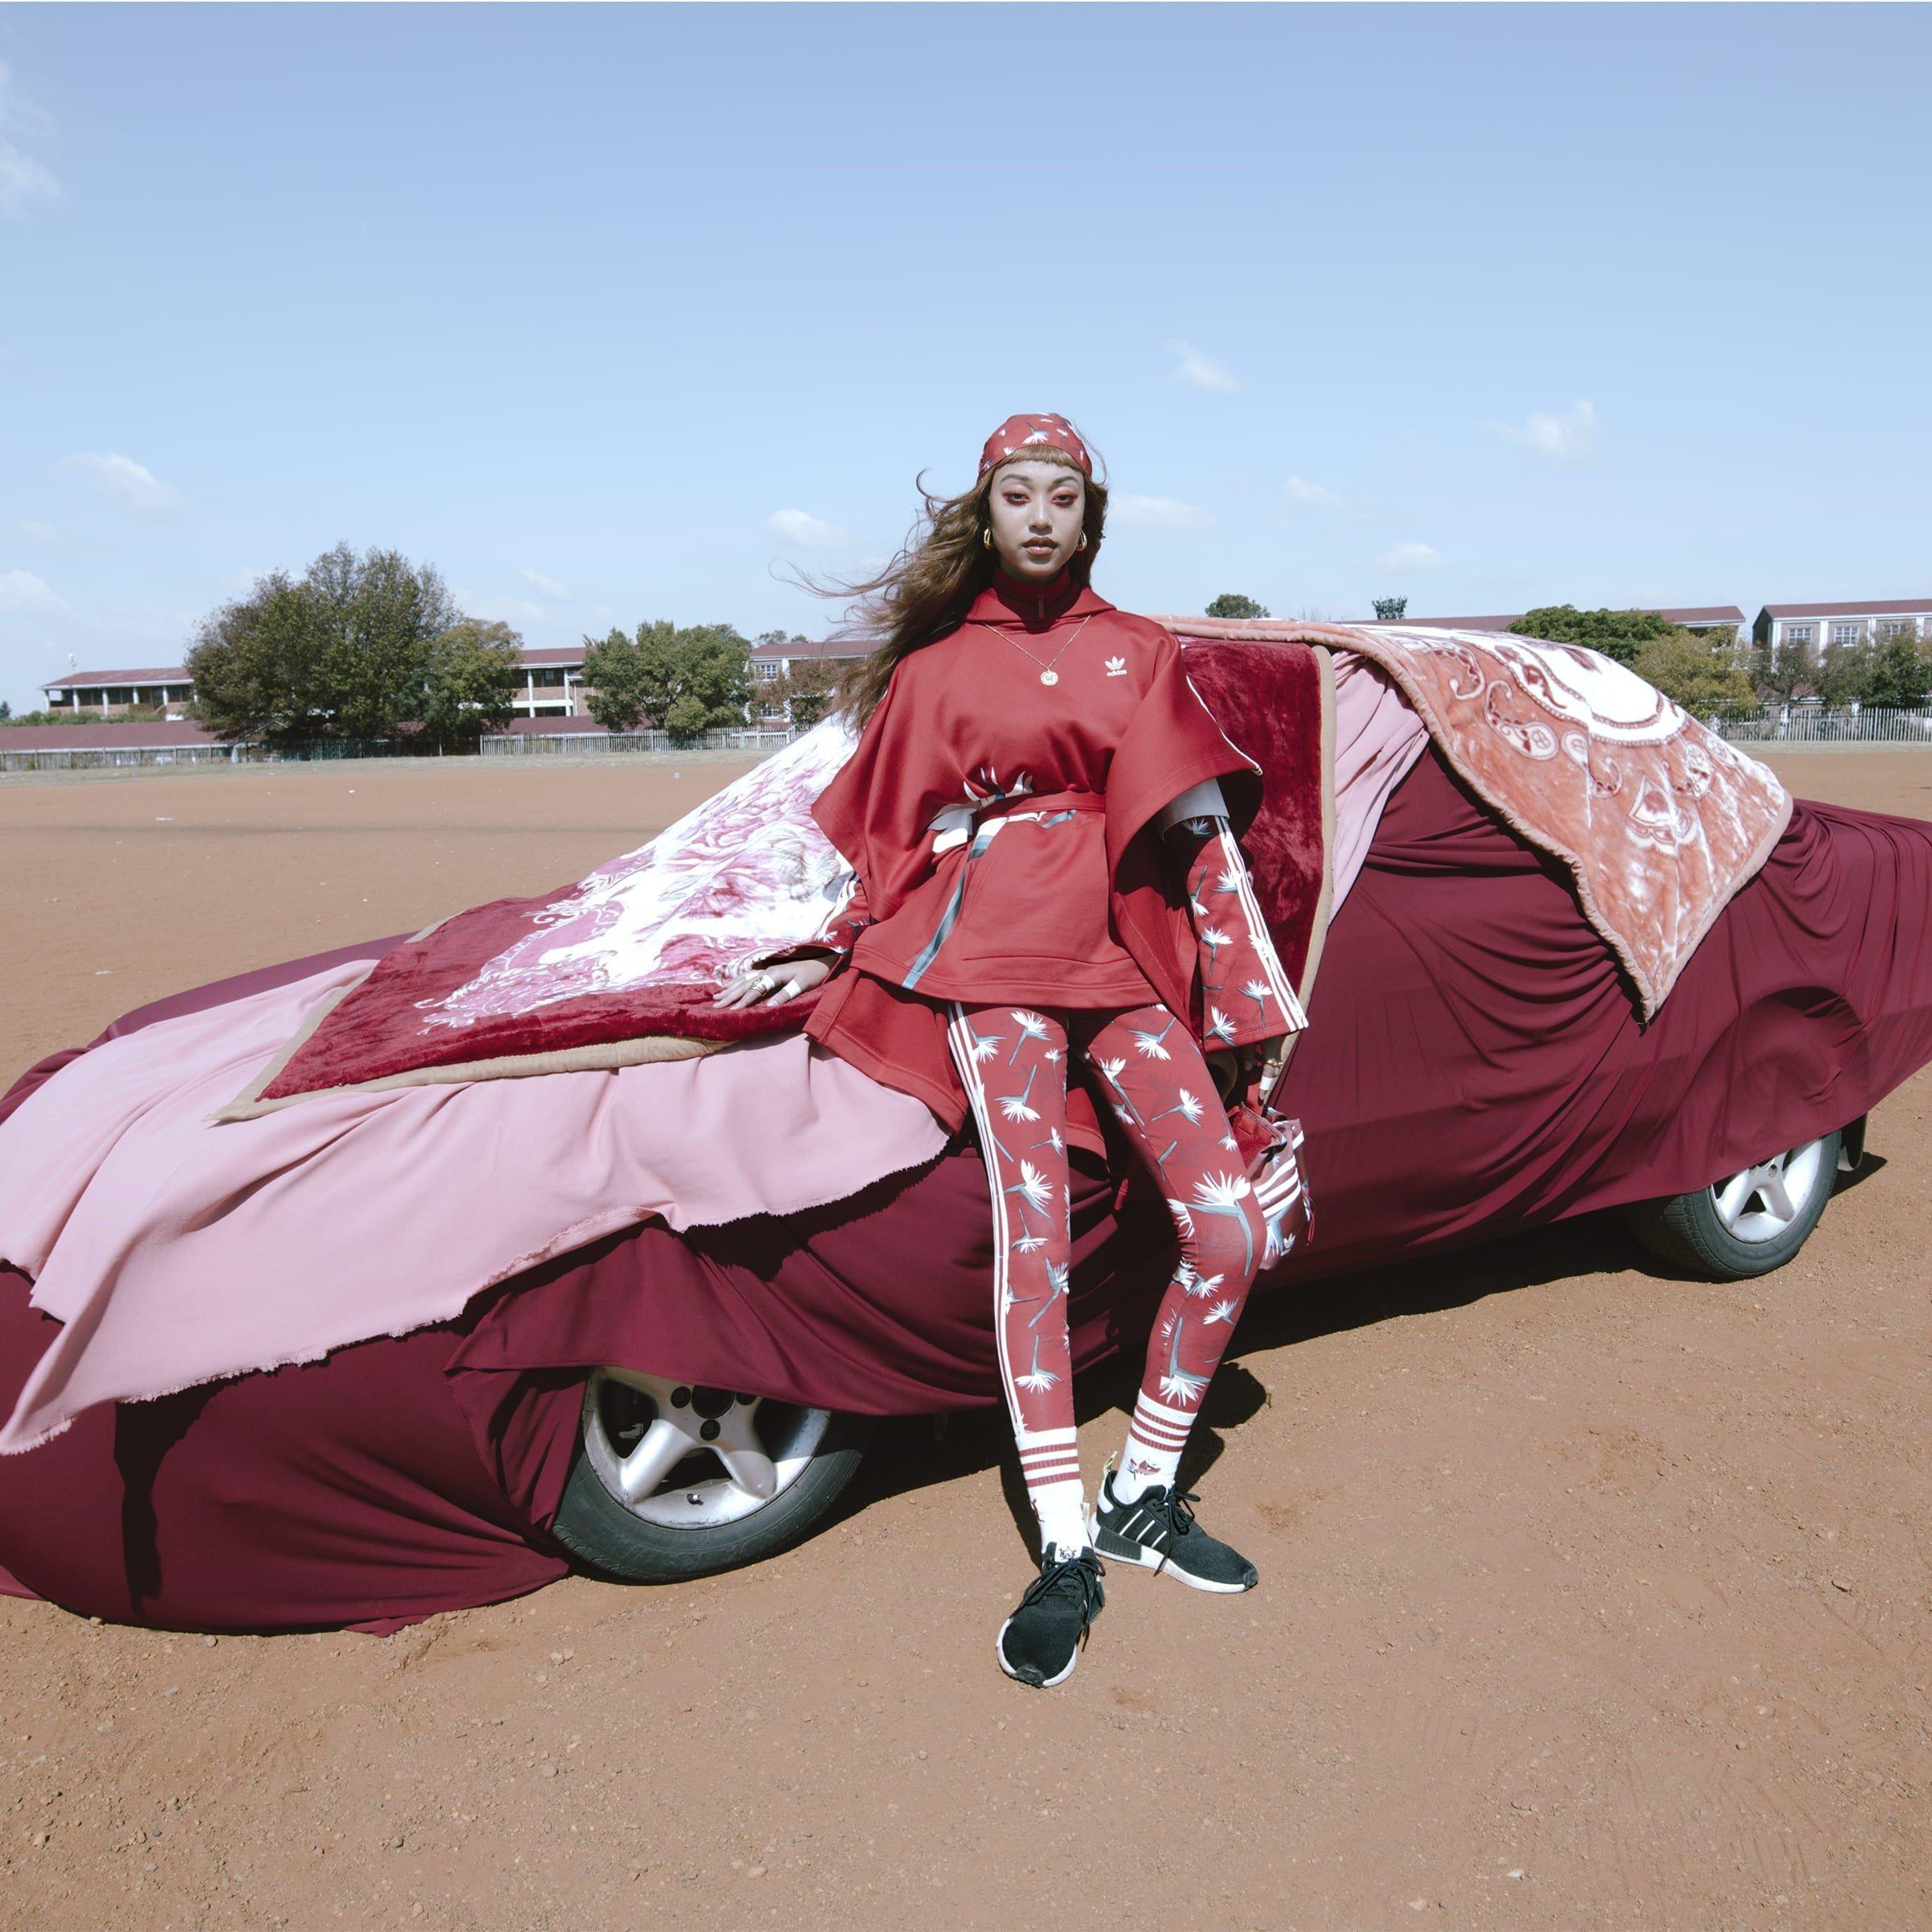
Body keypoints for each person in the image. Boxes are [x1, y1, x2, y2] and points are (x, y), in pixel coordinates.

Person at [713, 414, 1304, 1688]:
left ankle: (1146, 1486)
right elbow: (888, 832)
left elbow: (1202, 842)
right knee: (1032, 1233)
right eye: (1017, 497)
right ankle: (1065, 1543)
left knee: (1230, 1224)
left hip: (1128, 962)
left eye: (1064, 498)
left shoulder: (1143, 653)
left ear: (1093, 517)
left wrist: (1254, 1014)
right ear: (988, 518)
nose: (1041, 516)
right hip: (993, 972)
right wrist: (836, 935)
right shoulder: (938, 667)